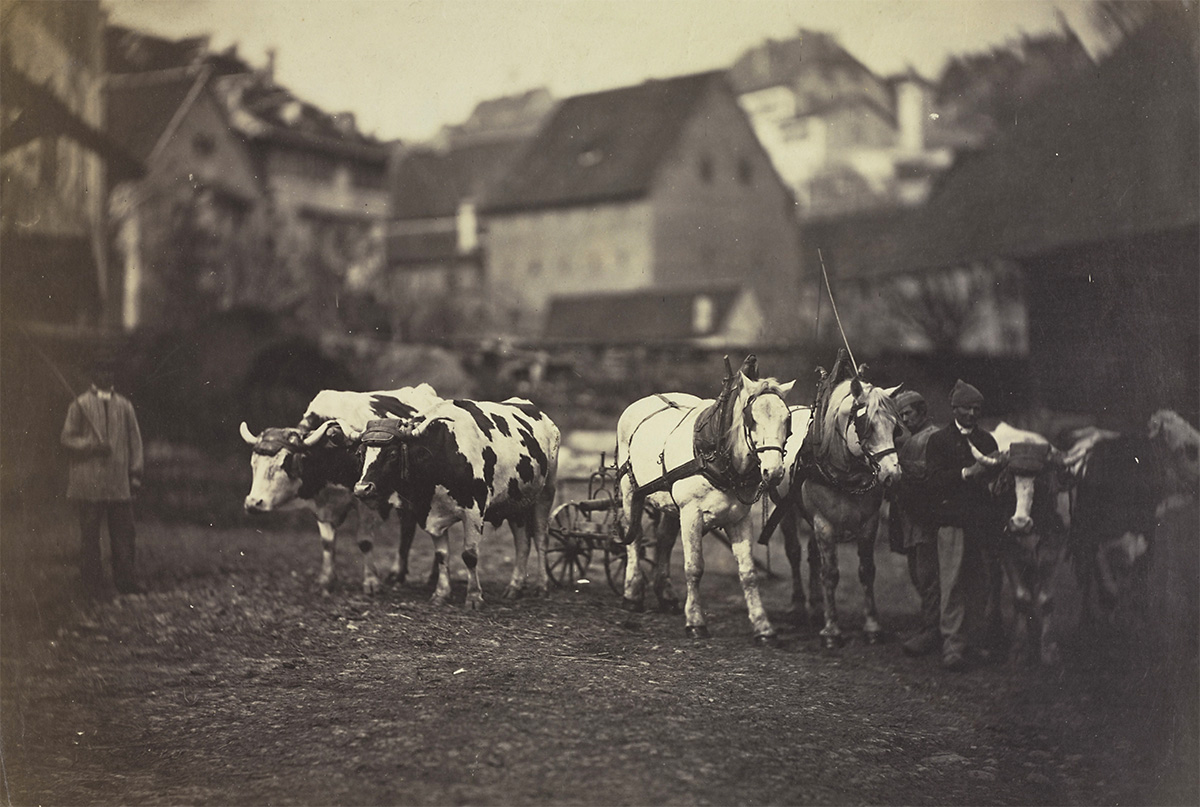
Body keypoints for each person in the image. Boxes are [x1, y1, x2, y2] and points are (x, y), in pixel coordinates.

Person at [923, 379, 1005, 671]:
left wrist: (996, 484)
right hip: (952, 523)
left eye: (977, 409)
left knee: (980, 583)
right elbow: (932, 482)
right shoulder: (939, 441)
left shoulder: (988, 442)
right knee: (953, 583)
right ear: (954, 408)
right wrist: (966, 473)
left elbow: (994, 481)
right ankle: (953, 646)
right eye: (967, 408)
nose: (972, 414)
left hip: (981, 524)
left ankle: (976, 642)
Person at [60, 356, 145, 596]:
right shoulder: (79, 405)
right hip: (88, 482)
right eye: (100, 370)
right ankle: (91, 584)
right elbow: (66, 438)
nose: (106, 375)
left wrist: (135, 474)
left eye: (110, 370)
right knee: (89, 535)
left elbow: (135, 443)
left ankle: (126, 581)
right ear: (92, 374)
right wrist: (90, 445)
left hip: (119, 482)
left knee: (124, 534)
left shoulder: (125, 406)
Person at [887, 390, 943, 657]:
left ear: (922, 413)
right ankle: (929, 626)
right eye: (901, 415)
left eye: (907, 414)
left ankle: (934, 631)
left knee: (928, 576)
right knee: (917, 574)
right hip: (907, 519)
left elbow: (929, 476)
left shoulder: (933, 437)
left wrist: (903, 471)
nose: (904, 419)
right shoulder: (908, 439)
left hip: (926, 519)